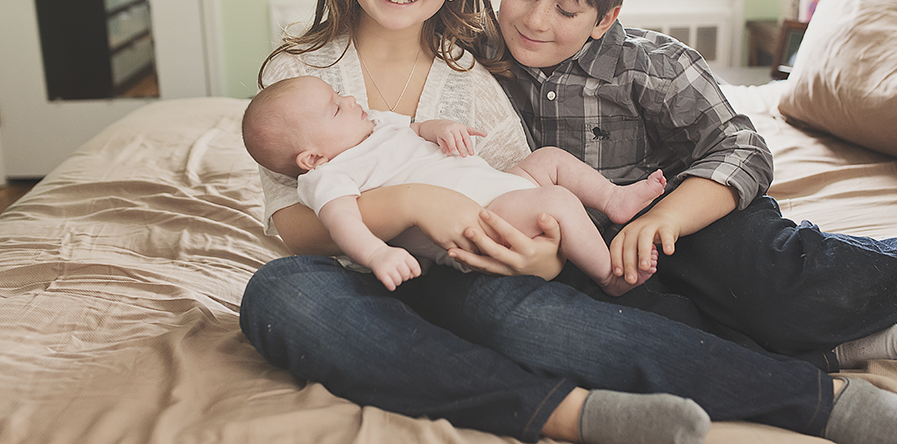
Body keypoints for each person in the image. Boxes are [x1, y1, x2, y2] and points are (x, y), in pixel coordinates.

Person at [238, 0, 897, 444]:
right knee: (281, 294)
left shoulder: (474, 76)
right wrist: (404, 204)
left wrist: (539, 260)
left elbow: (523, 204)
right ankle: (565, 410)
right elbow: (289, 229)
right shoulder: (302, 76)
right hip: (352, 276)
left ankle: (813, 395)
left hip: (467, 270)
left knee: (527, 312)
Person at [241, 74, 666, 293]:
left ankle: (615, 200)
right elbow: (343, 224)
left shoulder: (376, 126)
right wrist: (377, 255)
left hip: (497, 185)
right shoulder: (328, 176)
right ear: (311, 157)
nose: (351, 100)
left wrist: (442, 128)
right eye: (336, 108)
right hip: (480, 220)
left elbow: (418, 127)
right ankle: (609, 278)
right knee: (555, 200)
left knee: (548, 160)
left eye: (340, 94)